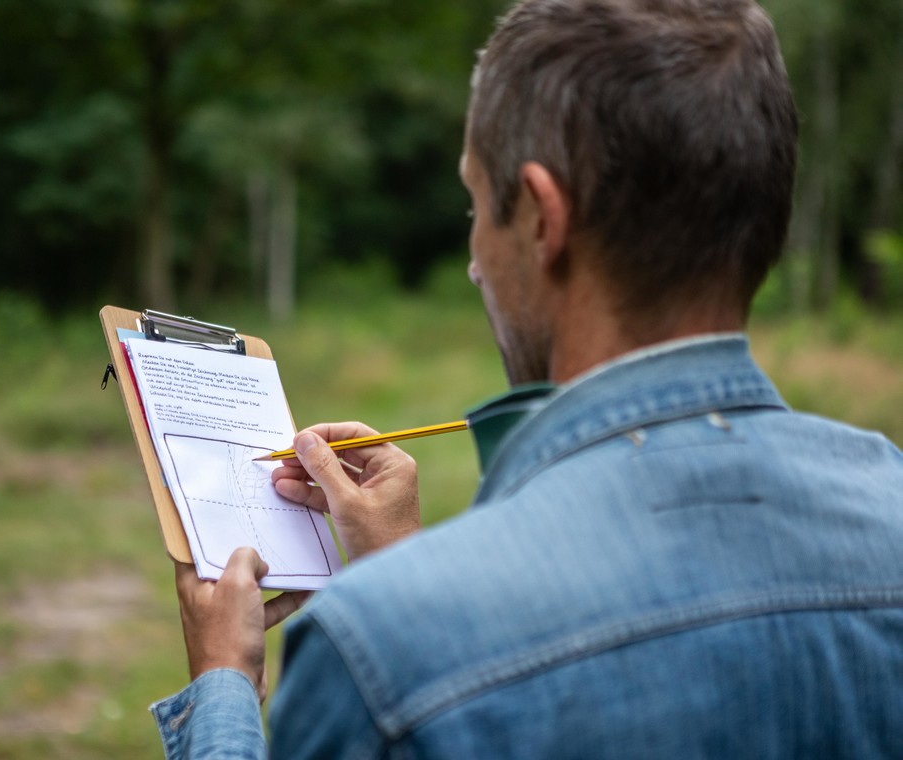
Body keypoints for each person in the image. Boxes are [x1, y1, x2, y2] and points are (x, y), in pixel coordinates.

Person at [151, 0, 903, 756]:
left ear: (544, 219)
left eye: (478, 206)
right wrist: (406, 573)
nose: (477, 260)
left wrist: (223, 686)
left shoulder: (372, 651)